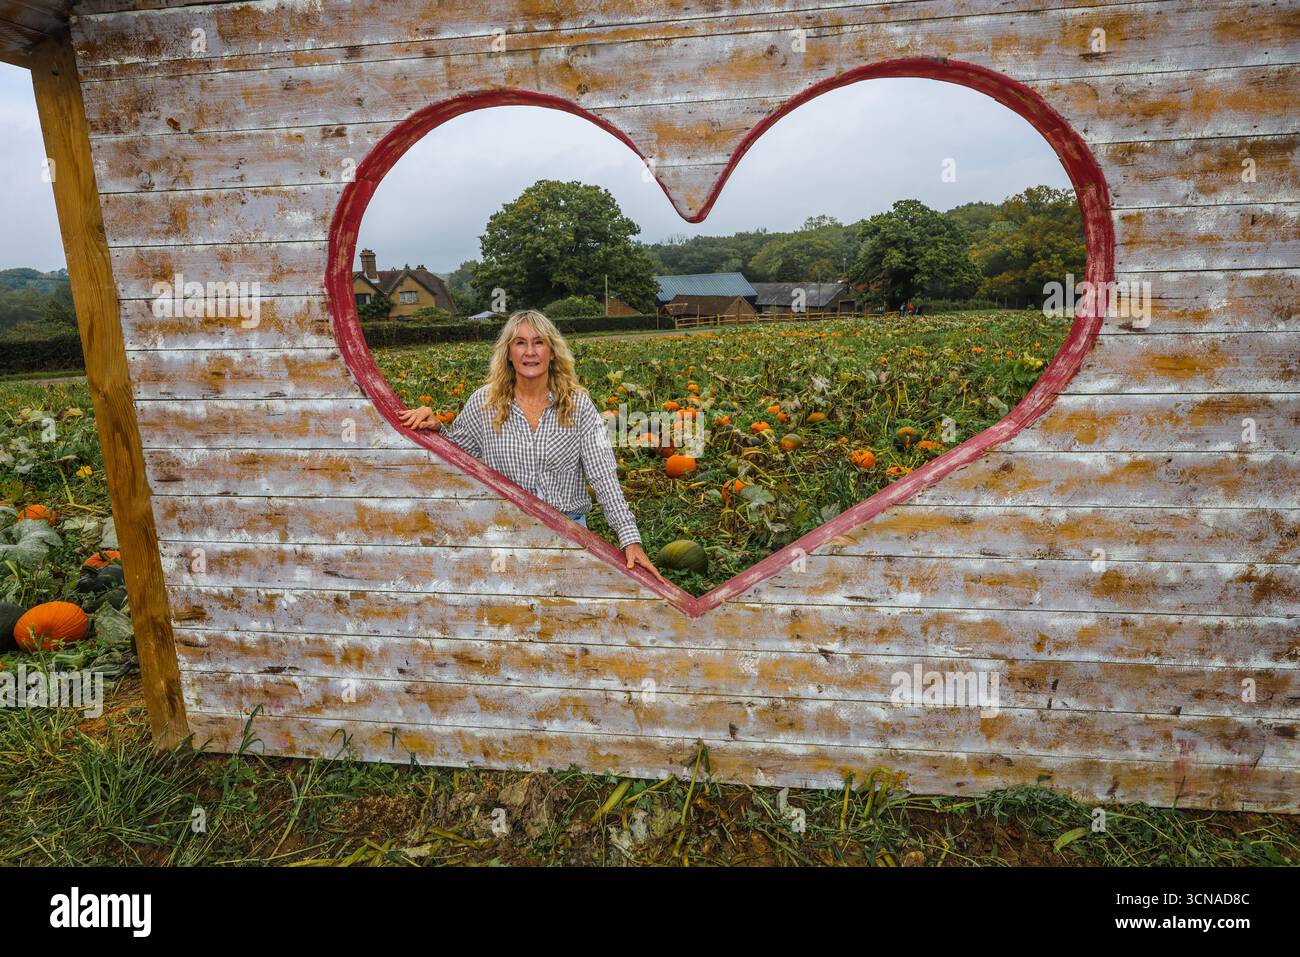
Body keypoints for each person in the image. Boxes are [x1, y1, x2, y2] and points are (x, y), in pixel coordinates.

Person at [398, 309, 669, 584]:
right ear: (508, 353)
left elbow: (603, 474)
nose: (530, 351)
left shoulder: (577, 405)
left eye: (539, 342)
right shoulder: (484, 403)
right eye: (520, 343)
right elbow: (458, 456)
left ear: (552, 352)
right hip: (505, 532)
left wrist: (629, 538)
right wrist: (435, 430)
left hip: (568, 531)